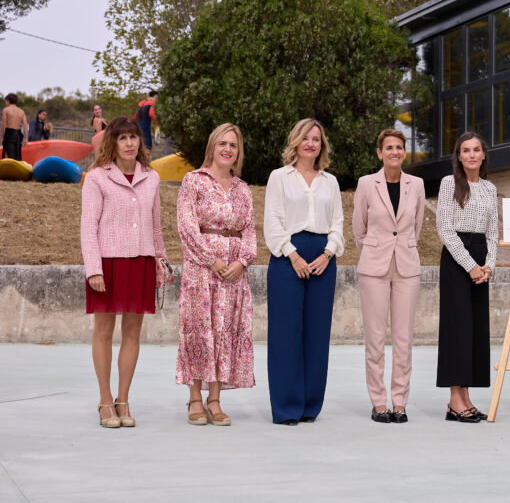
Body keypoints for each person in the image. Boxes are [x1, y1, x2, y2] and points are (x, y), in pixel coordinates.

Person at [80, 116, 170, 428]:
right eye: (123, 138)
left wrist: (161, 262)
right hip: (106, 263)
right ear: (112, 144)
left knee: (132, 333)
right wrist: (94, 269)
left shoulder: (152, 177)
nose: (130, 143)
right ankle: (105, 401)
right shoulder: (96, 178)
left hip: (141, 261)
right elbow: (88, 229)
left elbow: (156, 226)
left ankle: (123, 400)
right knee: (104, 332)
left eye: (134, 137)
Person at [175, 123, 257, 426]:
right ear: (212, 147)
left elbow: (250, 230)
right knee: (199, 331)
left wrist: (243, 261)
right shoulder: (193, 181)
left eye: (233, 145)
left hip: (234, 274)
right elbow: (186, 226)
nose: (228, 149)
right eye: (222, 143)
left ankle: (215, 399)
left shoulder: (243, 188)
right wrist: (212, 260)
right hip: (201, 271)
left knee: (224, 332)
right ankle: (195, 399)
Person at [263, 118, 344, 425]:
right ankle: (286, 407)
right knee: (286, 333)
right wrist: (292, 254)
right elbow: (272, 222)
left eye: (317, 139)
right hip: (288, 256)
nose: (311, 143)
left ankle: (310, 405)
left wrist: (328, 252)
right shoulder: (279, 178)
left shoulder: (330, 182)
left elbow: (337, 223)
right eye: (306, 138)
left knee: (316, 333)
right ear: (295, 141)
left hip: (323, 256)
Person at [353, 129, 425, 424]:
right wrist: (373, 251)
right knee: (375, 339)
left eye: (399, 147)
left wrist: (402, 247)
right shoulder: (367, 184)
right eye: (389, 147)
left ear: (404, 152)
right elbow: (359, 228)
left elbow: (416, 226)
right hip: (373, 268)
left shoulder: (416, 184)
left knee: (403, 339)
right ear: (380, 153)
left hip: (407, 267)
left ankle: (400, 402)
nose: (395, 151)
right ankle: (379, 402)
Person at [435, 131, 497, 423]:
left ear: (483, 155)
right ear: (458, 156)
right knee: (456, 331)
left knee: (474, 332)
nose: (471, 154)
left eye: (476, 149)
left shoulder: (490, 188)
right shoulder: (449, 184)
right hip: (457, 260)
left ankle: (465, 398)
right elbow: (445, 230)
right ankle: (454, 400)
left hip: (480, 260)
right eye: (465, 150)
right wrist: (470, 265)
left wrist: (488, 266)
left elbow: (494, 234)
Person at [1, 93, 26, 160]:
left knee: (11, 156)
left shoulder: (6, 110)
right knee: (18, 154)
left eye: (6, 101)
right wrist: (26, 138)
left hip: (9, 133)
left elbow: (3, 124)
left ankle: (11, 169)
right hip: (18, 134)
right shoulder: (21, 111)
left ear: (8, 101)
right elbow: (25, 125)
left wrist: (2, 136)